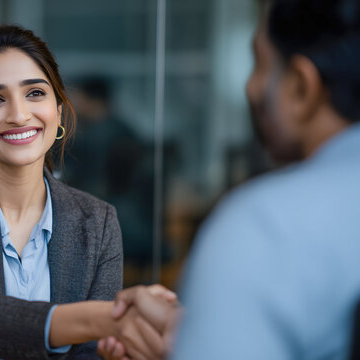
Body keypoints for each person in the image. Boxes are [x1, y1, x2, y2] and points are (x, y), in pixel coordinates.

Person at [99, 0, 360, 359]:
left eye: (259, 64)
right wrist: (200, 329)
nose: (250, 87)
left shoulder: (264, 228)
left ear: (301, 87)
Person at [0, 24, 161, 360]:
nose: (19, 115)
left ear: (58, 111)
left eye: (35, 93)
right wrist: (110, 318)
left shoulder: (98, 221)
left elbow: (91, 353)